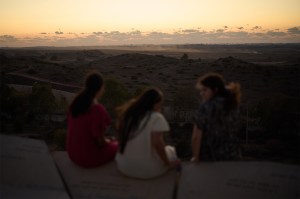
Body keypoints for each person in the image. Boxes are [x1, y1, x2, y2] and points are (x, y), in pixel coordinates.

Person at [115, 88, 181, 179]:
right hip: (148, 171)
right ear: (155, 103)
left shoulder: (129, 114)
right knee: (170, 150)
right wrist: (168, 163)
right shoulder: (156, 117)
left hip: (124, 167)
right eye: (160, 103)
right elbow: (157, 143)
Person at [67, 72, 118, 168]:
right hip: (88, 158)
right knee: (117, 145)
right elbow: (101, 142)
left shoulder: (76, 103)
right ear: (101, 88)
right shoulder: (97, 109)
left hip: (72, 154)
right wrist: (109, 141)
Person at [191, 73, 242, 162]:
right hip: (232, 156)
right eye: (201, 90)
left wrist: (195, 157)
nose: (201, 93)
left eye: (205, 90)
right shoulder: (233, 105)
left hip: (211, 157)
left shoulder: (206, 107)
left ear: (215, 90)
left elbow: (196, 136)